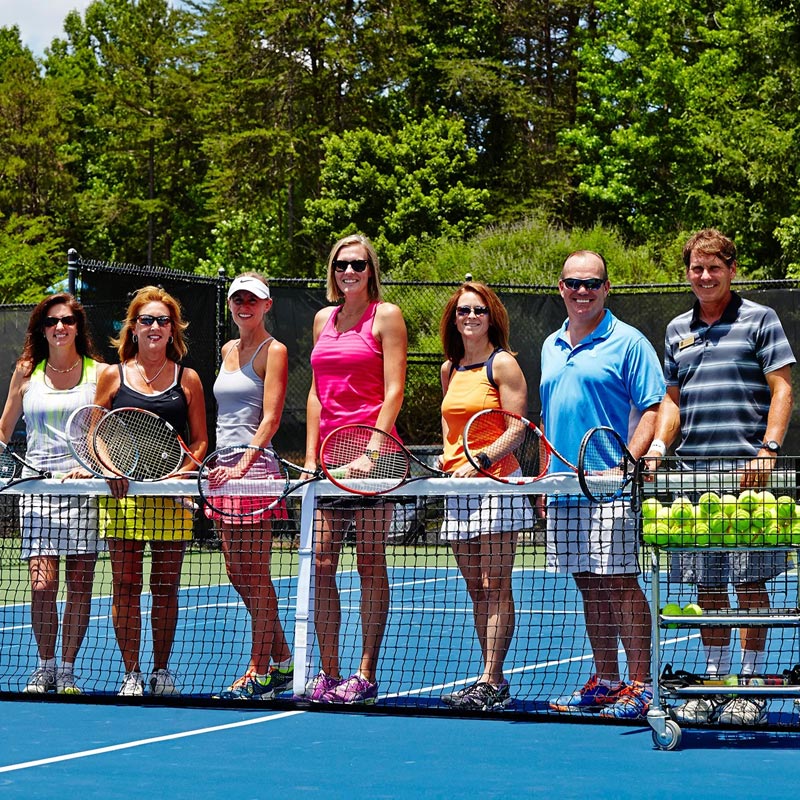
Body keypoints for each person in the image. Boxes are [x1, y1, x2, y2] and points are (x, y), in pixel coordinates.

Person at [645, 229, 795, 726]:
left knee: (750, 582)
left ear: (731, 269)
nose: (704, 276)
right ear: (687, 272)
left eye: (714, 267)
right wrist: (660, 447)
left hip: (750, 477)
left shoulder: (760, 320)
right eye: (696, 268)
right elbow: (672, 399)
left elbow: (782, 388)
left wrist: (768, 449)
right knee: (707, 586)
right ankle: (715, 682)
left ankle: (748, 687)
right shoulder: (675, 330)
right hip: (693, 477)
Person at [541, 250, 664, 720]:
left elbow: (652, 407)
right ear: (561, 287)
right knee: (588, 584)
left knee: (620, 582)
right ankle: (607, 680)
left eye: (592, 283)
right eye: (574, 283)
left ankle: (640, 685)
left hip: (611, 488)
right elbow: (549, 417)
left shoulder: (629, 342)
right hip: (563, 487)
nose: (582, 291)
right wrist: (544, 482)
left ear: (606, 288)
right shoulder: (551, 345)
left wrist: (628, 463)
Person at [303, 233, 407, 704]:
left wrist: (372, 448)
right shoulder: (323, 319)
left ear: (371, 271)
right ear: (333, 270)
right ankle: (329, 673)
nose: (350, 272)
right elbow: (315, 395)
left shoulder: (385, 315)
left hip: (374, 459)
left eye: (359, 265)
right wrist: (310, 457)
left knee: (369, 563)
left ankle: (364, 674)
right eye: (342, 264)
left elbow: (394, 390)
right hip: (327, 461)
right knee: (322, 565)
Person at [94, 286, 207, 697]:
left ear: (173, 328)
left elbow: (199, 442)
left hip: (169, 501)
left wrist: (183, 472)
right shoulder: (113, 374)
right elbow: (96, 433)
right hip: (123, 498)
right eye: (147, 320)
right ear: (134, 328)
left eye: (163, 320)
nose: (155, 327)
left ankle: (160, 671)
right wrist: (107, 466)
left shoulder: (188, 378)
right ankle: (132, 674)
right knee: (124, 584)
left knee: (165, 586)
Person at [0, 294, 106, 694]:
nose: (59, 327)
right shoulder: (26, 372)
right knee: (42, 585)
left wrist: (93, 466)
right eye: (51, 321)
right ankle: (43, 666)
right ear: (41, 329)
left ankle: (66, 670)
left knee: (79, 583)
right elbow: (4, 429)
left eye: (66, 320)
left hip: (83, 488)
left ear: (78, 326)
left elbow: (104, 432)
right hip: (37, 490)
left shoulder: (101, 373)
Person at [437, 282, 533, 710]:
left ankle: (492, 680)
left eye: (477, 311)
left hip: (497, 487)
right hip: (458, 490)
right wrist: (448, 458)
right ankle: (487, 677)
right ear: (454, 319)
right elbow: (450, 426)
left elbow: (517, 427)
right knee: (476, 587)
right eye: (462, 311)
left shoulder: (504, 365)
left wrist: (479, 459)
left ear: (490, 316)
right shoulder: (450, 369)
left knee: (496, 585)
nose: (470, 317)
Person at [206, 273, 294, 700]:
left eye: (252, 300)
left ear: (267, 305)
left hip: (253, 473)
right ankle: (284, 660)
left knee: (256, 575)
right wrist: (223, 466)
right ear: (231, 305)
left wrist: (243, 466)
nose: (245, 306)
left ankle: (259, 669)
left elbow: (271, 419)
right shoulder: (226, 350)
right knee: (236, 573)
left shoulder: (273, 351)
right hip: (222, 473)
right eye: (238, 299)